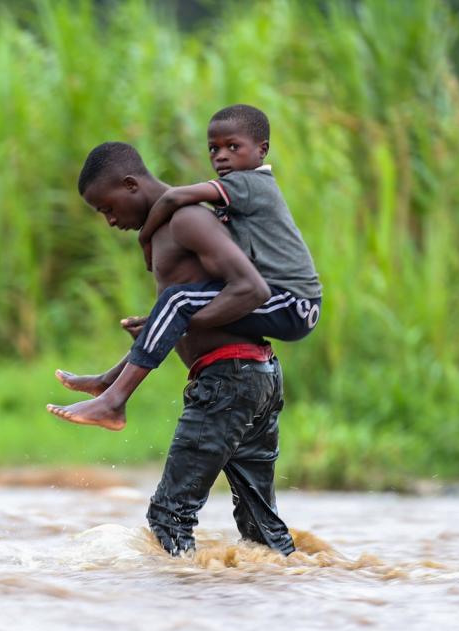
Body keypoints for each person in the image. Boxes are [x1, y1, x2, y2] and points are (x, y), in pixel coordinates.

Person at [52, 141, 295, 557]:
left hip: (227, 381)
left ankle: (178, 614)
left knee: (169, 517)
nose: (110, 220)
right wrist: (111, 373)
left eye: (107, 208)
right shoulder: (168, 229)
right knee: (261, 531)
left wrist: (186, 323)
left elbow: (251, 288)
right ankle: (281, 602)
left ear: (130, 184)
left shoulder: (185, 221)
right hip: (253, 376)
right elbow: (192, 309)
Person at [47, 104, 321, 432]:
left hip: (293, 303)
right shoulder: (229, 202)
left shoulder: (245, 186)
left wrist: (146, 239)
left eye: (233, 147)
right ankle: (110, 382)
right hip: (270, 327)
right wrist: (167, 323)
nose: (221, 156)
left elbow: (173, 199)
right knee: (176, 308)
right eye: (213, 149)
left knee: (178, 304)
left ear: (262, 150)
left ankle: (114, 400)